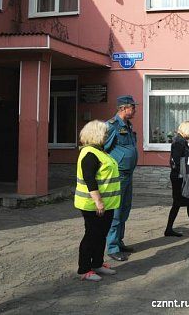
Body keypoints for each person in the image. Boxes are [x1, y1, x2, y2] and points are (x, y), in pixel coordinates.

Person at [75, 120, 121, 282]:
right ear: (97, 134)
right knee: (92, 235)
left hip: (106, 204)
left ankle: (97, 264)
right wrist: (98, 202)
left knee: (101, 235)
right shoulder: (89, 153)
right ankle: (84, 269)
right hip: (92, 204)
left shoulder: (99, 151)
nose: (107, 136)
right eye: (105, 133)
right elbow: (90, 180)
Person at [104, 95, 139, 262]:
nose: (135, 110)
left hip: (128, 174)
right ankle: (112, 247)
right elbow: (102, 148)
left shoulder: (128, 125)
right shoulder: (111, 126)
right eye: (133, 107)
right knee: (116, 212)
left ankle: (119, 241)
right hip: (118, 174)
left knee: (125, 208)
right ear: (123, 108)